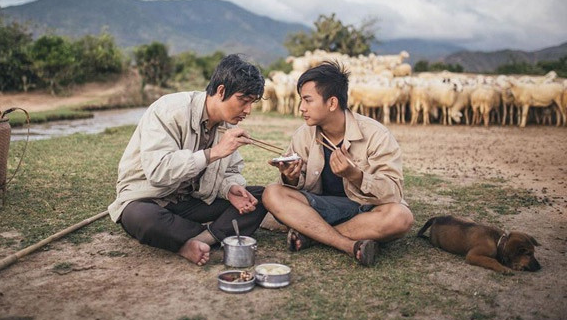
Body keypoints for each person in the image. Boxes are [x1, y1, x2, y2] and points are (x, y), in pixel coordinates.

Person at [108, 54, 267, 266]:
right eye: (243, 100)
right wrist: (214, 152)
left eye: (252, 103)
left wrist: (229, 189)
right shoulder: (169, 110)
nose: (247, 110)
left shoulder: (227, 124)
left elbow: (230, 171)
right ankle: (205, 237)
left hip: (188, 201)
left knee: (258, 197)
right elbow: (158, 172)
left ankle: (196, 240)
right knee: (143, 219)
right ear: (221, 91)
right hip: (149, 198)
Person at [262, 62, 413, 266]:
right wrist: (291, 177)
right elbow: (294, 192)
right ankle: (347, 244)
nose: (301, 108)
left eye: (307, 100)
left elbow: (393, 191)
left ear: (332, 103)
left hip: (364, 211)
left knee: (401, 217)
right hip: (320, 208)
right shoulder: (303, 135)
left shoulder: (376, 135)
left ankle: (313, 235)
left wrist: (355, 175)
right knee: (272, 193)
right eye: (301, 100)